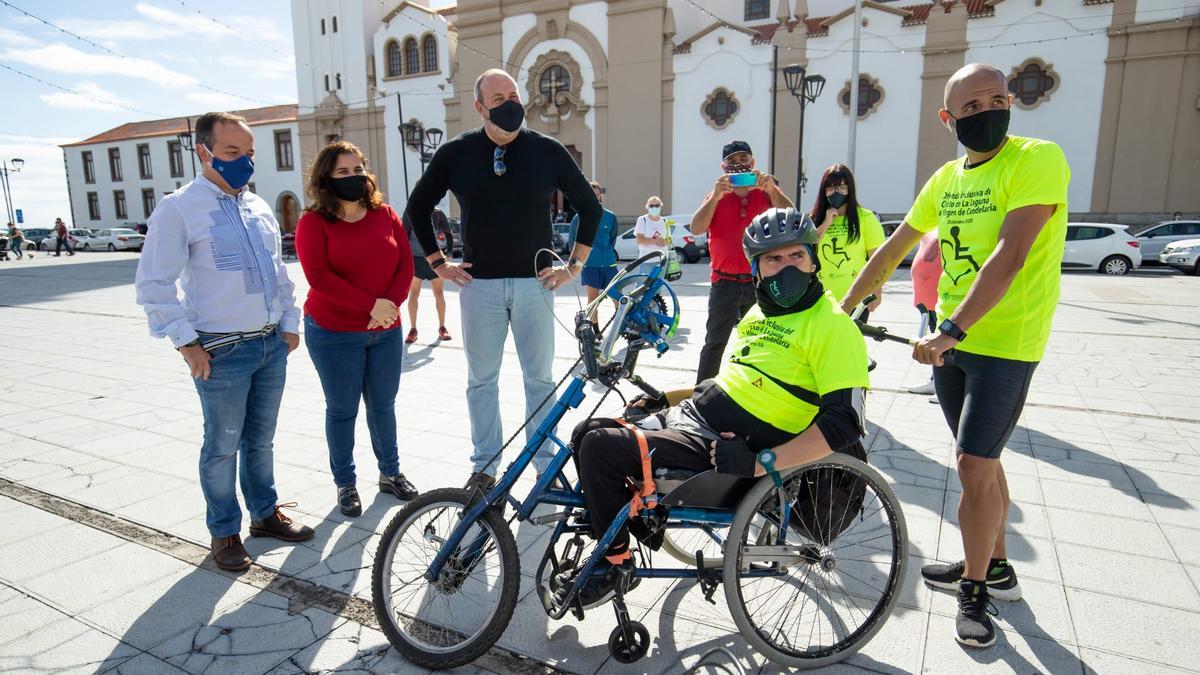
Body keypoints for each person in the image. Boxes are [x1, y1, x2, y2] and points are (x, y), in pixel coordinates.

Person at [841, 63, 1070, 649]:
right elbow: (893, 248)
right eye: (970, 107)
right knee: (983, 463)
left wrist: (951, 330)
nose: (987, 111)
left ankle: (975, 593)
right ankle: (996, 566)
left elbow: (1010, 255)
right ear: (949, 119)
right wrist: (841, 310)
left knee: (971, 463)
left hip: (1005, 343)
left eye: (997, 98)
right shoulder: (946, 178)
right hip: (953, 343)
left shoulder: (1037, 159)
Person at [570, 207, 869, 605]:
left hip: (727, 447)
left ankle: (615, 565)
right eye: (773, 259)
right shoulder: (759, 312)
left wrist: (760, 462)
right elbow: (735, 382)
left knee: (600, 448)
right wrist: (670, 398)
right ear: (756, 268)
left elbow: (846, 423)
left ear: (813, 259)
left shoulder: (832, 325)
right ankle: (625, 522)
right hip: (695, 417)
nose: (786, 268)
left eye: (796, 255)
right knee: (586, 431)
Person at [405, 68, 602, 493]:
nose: (510, 103)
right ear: (479, 107)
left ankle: (544, 463)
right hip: (481, 289)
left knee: (540, 380)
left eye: (514, 94)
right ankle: (485, 465)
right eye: (498, 98)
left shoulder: (547, 150)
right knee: (481, 380)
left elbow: (590, 206)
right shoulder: (457, 153)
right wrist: (439, 263)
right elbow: (418, 206)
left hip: (537, 286)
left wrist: (575, 264)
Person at [135, 111, 314, 572]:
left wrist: (289, 323)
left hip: (270, 345)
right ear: (204, 151)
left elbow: (278, 273)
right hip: (221, 351)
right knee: (222, 445)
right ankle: (224, 532)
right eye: (233, 152)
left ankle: (265, 515)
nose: (244, 162)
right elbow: (154, 284)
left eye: (249, 153)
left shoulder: (259, 207)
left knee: (262, 441)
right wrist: (186, 343)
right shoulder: (179, 208)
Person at [295, 141, 419, 518]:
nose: (354, 177)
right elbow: (318, 276)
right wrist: (371, 305)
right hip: (334, 331)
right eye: (343, 172)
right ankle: (345, 483)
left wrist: (390, 306)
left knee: (383, 405)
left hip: (385, 328)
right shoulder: (313, 222)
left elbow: (405, 264)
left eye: (358, 169)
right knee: (343, 409)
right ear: (325, 179)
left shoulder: (385, 214)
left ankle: (390, 473)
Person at [690, 140, 793, 384]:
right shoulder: (716, 196)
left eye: (743, 159)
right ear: (723, 166)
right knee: (715, 341)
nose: (739, 164)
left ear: (753, 162)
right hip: (723, 282)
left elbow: (791, 215)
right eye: (733, 161)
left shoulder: (765, 194)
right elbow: (696, 228)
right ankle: (702, 392)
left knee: (759, 341)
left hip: (758, 282)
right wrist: (715, 197)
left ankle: (755, 389)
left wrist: (772, 189)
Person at [809, 164, 885, 320]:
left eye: (842, 187)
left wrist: (877, 290)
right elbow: (808, 248)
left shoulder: (865, 218)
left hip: (856, 299)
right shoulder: (815, 219)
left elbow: (878, 259)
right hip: (821, 299)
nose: (836, 192)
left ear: (850, 189)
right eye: (830, 188)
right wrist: (826, 222)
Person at [568, 181, 619, 329]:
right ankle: (595, 332)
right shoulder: (578, 218)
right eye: (592, 194)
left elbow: (612, 238)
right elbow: (573, 243)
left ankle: (618, 328)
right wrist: (578, 264)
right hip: (590, 265)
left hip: (609, 264)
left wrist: (606, 254)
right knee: (593, 300)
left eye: (597, 194)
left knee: (617, 298)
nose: (595, 197)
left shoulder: (610, 217)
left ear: (601, 196)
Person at [405, 207, 454, 344]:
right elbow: (404, 234)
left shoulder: (438, 213)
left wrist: (449, 253)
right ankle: (413, 329)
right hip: (416, 259)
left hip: (436, 259)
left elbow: (448, 233)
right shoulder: (410, 211)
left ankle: (442, 327)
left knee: (439, 293)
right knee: (414, 294)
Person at [907, 231, 941, 398]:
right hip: (927, 298)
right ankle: (935, 381)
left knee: (944, 343)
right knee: (933, 340)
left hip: (942, 298)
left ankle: (944, 387)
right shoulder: (928, 225)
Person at [634, 196, 669, 273]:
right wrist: (655, 241)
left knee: (658, 284)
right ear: (647, 207)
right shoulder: (642, 220)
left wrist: (664, 242)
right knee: (643, 284)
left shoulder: (664, 220)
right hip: (646, 260)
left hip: (662, 261)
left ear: (661, 206)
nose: (654, 208)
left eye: (657, 205)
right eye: (651, 206)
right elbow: (639, 240)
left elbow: (668, 239)